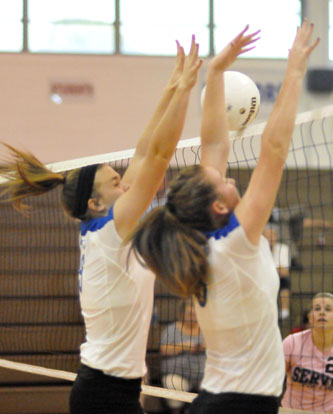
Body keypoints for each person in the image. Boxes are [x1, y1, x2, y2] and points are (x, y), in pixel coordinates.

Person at [0, 37, 202, 414]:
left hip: (112, 390)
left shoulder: (105, 228)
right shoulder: (113, 229)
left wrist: (174, 84)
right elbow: (158, 155)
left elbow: (143, 152)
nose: (125, 184)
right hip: (104, 395)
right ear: (95, 203)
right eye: (115, 183)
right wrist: (186, 91)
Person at [128, 21, 319, 414]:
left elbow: (214, 142)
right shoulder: (236, 242)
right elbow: (275, 148)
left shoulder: (207, 240)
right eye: (223, 180)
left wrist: (214, 74)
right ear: (218, 207)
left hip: (221, 401)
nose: (229, 174)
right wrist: (295, 72)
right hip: (239, 406)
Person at [282, 292, 333, 412]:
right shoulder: (292, 342)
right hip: (292, 411)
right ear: (310, 318)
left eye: (328, 309)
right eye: (317, 308)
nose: (322, 312)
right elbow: (273, 378)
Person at [160, 299, 206, 414]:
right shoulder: (172, 329)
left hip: (204, 375)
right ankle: (176, 410)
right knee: (174, 385)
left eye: (195, 314)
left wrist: (205, 345)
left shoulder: (206, 329)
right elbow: (164, 349)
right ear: (182, 313)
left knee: (214, 389)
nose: (192, 316)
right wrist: (184, 346)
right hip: (177, 374)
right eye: (190, 313)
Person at [263, 224, 291, 320]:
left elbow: (284, 272)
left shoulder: (283, 248)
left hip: (277, 279)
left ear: (276, 236)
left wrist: (267, 270)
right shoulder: (258, 249)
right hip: (263, 279)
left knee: (285, 280)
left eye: (272, 235)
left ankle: (284, 311)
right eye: (267, 235)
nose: (270, 238)